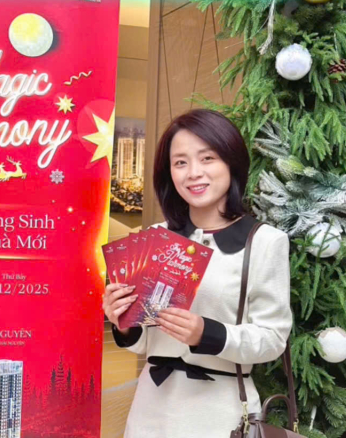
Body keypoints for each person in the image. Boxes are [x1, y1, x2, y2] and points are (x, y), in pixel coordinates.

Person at [103, 109, 292, 437]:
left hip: (220, 415)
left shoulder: (264, 241)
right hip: (151, 411)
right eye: (180, 162)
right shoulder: (156, 237)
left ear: (231, 162)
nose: (193, 173)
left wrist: (208, 333)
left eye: (207, 158)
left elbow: (273, 339)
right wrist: (123, 321)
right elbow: (144, 342)